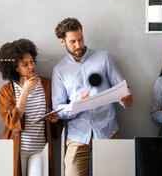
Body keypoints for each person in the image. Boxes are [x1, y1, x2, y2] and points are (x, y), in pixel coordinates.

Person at [51, 18, 133, 176]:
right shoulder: (59, 70)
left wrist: (126, 98)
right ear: (62, 42)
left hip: (107, 131)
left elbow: (123, 89)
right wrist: (76, 104)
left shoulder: (104, 58)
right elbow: (58, 109)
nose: (79, 45)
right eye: (73, 41)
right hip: (78, 136)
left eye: (80, 39)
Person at [0, 39, 62, 176]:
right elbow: (11, 122)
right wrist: (25, 92)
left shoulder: (48, 85)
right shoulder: (7, 90)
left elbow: (55, 112)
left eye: (32, 61)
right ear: (15, 68)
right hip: (17, 148)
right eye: (25, 64)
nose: (31, 66)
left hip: (40, 149)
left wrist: (55, 118)